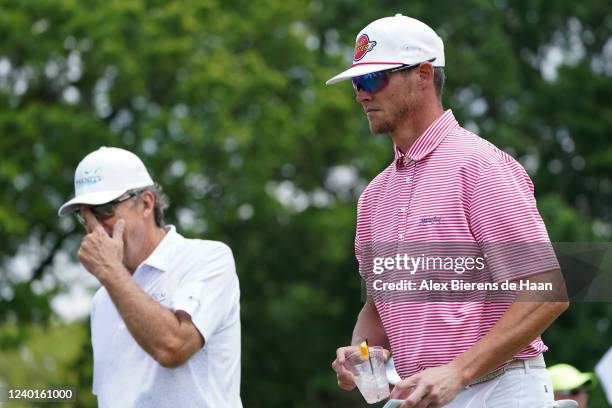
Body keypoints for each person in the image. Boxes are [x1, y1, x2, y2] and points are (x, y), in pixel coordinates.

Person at [327, 14, 569, 407]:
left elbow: (548, 291)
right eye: (357, 82)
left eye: (373, 79)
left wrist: (458, 371)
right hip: (425, 393)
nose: (360, 94)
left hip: (500, 390)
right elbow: (378, 305)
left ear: (423, 75)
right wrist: (362, 352)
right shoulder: (373, 196)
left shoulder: (478, 165)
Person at [58, 147, 242, 408]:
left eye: (104, 209)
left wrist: (110, 271)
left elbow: (173, 347)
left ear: (146, 203)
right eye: (83, 215)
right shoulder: (102, 300)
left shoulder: (208, 258)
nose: (94, 227)